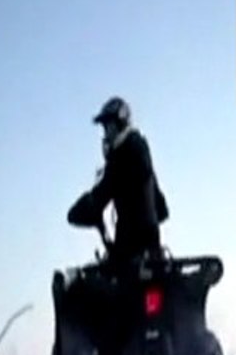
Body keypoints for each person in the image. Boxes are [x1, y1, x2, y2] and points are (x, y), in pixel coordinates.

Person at [66, 96, 170, 269]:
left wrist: (80, 210)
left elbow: (101, 195)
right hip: (152, 251)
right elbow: (162, 210)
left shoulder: (122, 154)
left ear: (119, 124)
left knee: (81, 287)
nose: (106, 133)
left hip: (129, 249)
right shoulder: (142, 154)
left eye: (108, 126)